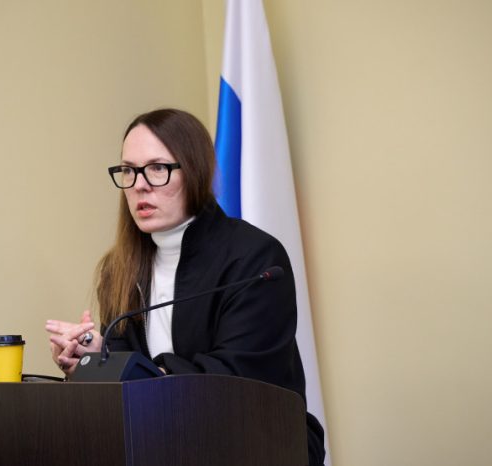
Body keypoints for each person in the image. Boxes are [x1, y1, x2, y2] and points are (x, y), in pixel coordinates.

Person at [46, 108, 325, 465]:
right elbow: (125, 386)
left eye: (157, 168)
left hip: (257, 439)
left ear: (195, 171)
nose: (140, 185)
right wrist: (95, 359)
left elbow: (238, 376)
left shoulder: (255, 257)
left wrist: (144, 374)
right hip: (163, 441)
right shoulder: (118, 269)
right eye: (128, 170)